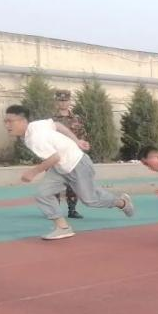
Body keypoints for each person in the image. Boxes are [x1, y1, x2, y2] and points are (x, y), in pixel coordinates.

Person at [3, 105, 134, 240]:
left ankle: (122, 203)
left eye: (10, 121)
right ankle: (63, 228)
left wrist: (33, 172)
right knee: (42, 194)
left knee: (90, 200)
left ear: (23, 121)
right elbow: (58, 125)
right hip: (60, 168)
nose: (7, 125)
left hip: (77, 164)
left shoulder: (34, 138)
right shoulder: (36, 125)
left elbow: (54, 158)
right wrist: (76, 141)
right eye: (5, 121)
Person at [52, 89, 87, 219]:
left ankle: (72, 210)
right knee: (54, 184)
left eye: (65, 100)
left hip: (72, 156)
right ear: (56, 102)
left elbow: (82, 135)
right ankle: (54, 210)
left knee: (73, 183)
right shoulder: (51, 119)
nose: (63, 103)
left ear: (70, 101)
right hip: (55, 156)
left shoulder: (77, 119)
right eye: (60, 100)